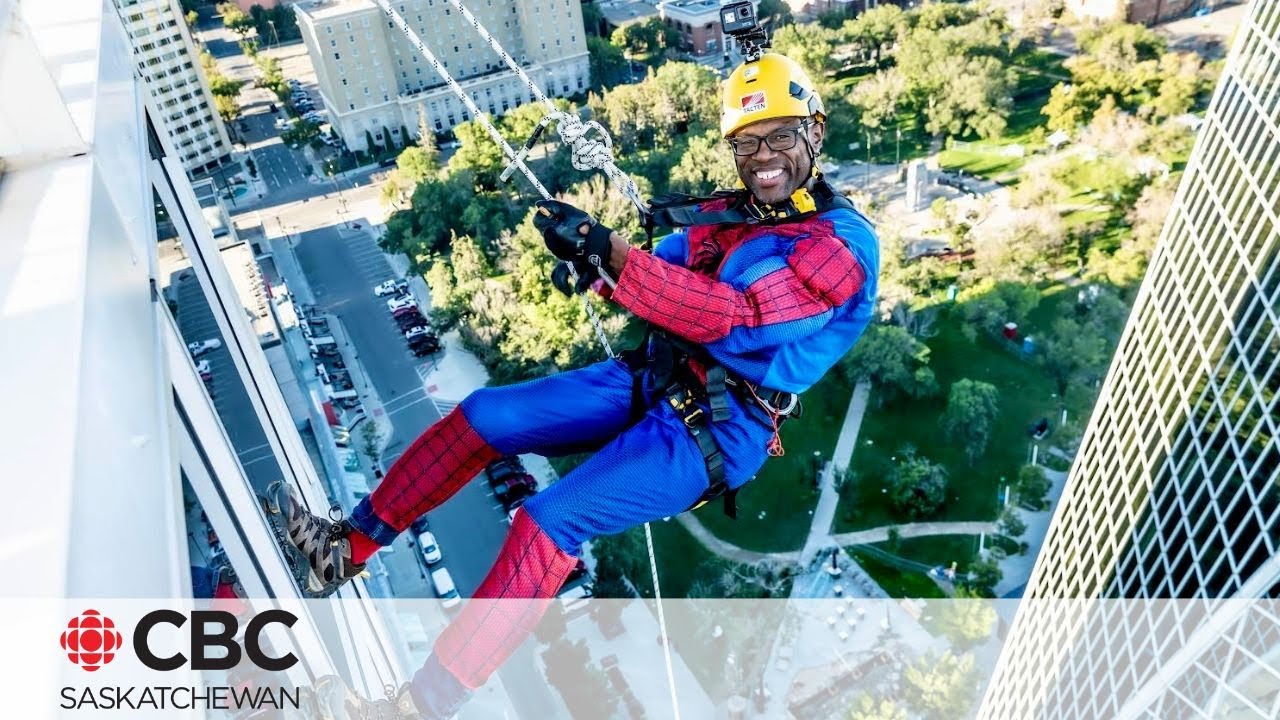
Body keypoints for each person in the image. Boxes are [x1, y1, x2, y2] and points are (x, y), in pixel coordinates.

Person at [282, 52, 879, 717]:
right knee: (484, 416)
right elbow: (668, 271)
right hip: (662, 373)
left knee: (548, 522)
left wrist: (613, 256)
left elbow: (737, 315)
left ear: (815, 132)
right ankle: (345, 549)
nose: (762, 156)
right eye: (746, 142)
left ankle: (418, 707)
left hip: (722, 425)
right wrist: (596, 266)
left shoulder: (841, 249)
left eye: (781, 136)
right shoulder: (738, 218)